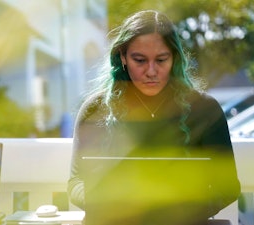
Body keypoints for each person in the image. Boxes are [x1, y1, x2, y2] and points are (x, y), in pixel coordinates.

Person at [67, 10, 240, 225]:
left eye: (161, 60)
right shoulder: (96, 109)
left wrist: (181, 211)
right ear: (123, 57)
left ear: (174, 58)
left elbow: (229, 187)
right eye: (139, 60)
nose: (151, 71)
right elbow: (76, 182)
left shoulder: (205, 110)